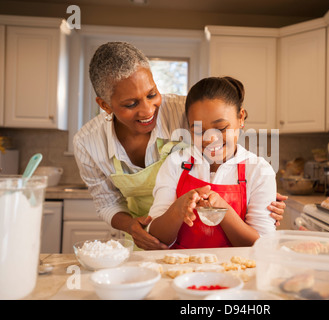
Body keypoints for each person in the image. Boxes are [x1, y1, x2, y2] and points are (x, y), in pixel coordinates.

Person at [73, 42, 287, 250]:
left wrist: (261, 196)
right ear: (105, 105)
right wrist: (135, 224)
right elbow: (106, 203)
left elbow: (259, 240)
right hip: (147, 239)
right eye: (131, 104)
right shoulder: (88, 142)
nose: (148, 110)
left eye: (152, 94)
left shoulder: (185, 110)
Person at [148, 76, 277, 248]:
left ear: (241, 117)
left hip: (236, 273)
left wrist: (223, 211)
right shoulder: (176, 163)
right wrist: (178, 209)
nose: (211, 139)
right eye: (199, 131)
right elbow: (156, 238)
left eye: (221, 128)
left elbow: (262, 246)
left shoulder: (259, 171)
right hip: (182, 271)